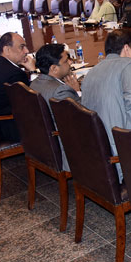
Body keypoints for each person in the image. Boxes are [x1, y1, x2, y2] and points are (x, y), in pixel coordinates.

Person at [81, 29, 131, 181]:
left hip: (94, 155)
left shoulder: (91, 72)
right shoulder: (128, 64)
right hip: (118, 158)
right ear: (126, 48)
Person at [30, 43, 80, 173]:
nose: (70, 62)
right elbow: (81, 119)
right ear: (54, 68)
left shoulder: (34, 83)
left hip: (40, 145)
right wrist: (77, 92)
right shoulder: (60, 91)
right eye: (65, 61)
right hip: (64, 150)